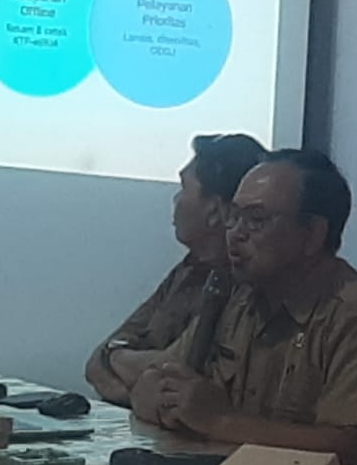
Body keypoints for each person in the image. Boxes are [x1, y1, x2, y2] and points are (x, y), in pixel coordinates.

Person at [129, 149, 357, 465]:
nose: (235, 233)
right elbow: (165, 377)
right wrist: (159, 396)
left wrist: (222, 422)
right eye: (233, 216)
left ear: (313, 234)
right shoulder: (236, 296)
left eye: (256, 220)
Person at [85, 133, 267, 406]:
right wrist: (138, 391)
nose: (175, 200)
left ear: (215, 211)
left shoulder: (240, 285)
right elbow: (96, 363)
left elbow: (175, 369)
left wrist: (115, 358)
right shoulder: (189, 268)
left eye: (183, 189)